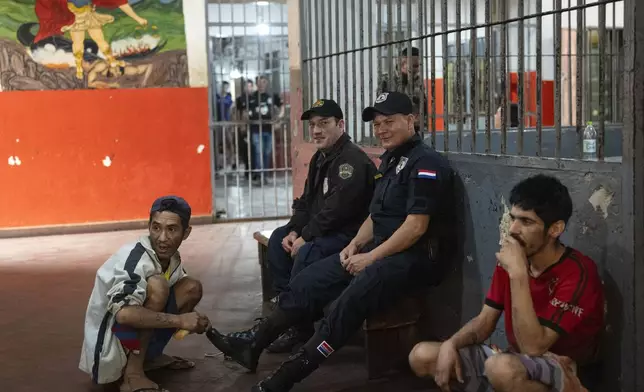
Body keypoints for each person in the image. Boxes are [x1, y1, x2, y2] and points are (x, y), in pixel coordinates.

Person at [206, 91, 454, 392]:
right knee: (309, 279)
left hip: (411, 259)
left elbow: (415, 227)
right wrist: (355, 246)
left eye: (389, 121)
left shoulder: (425, 163)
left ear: (411, 120)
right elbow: (376, 216)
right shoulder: (391, 161)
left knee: (346, 303)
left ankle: (287, 376)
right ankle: (255, 342)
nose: (382, 130)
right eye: (377, 125)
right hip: (380, 250)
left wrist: (370, 257)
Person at [408, 174, 605, 392]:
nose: (513, 229)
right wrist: (451, 344)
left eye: (527, 222)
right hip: (517, 360)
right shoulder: (514, 258)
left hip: (566, 369)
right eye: (513, 218)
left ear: (555, 229)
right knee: (422, 356)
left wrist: (518, 273)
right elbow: (485, 321)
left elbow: (534, 346)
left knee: (501, 369)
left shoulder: (578, 272)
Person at [264, 98, 377, 354]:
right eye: (313, 125)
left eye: (323, 123)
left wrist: (305, 236)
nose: (316, 130)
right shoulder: (320, 158)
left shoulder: (351, 162)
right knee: (277, 239)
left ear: (341, 125)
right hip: (325, 230)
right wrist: (294, 230)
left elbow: (336, 212)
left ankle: (297, 323)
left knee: (306, 252)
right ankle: (289, 311)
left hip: (349, 237)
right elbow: (306, 202)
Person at [79, 196, 210, 392]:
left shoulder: (170, 258)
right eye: (156, 228)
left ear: (186, 232)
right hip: (109, 347)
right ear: (149, 227)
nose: (162, 238)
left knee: (191, 288)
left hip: (129, 336)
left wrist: (194, 321)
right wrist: (181, 321)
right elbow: (124, 314)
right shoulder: (137, 257)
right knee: (158, 286)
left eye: (172, 229)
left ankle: (149, 357)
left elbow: (178, 303)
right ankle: (132, 374)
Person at [235, 75, 285, 184]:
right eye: (259, 82)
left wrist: (279, 119)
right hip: (256, 129)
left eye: (263, 82)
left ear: (266, 83)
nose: (261, 84)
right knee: (258, 152)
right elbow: (243, 112)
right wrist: (243, 125)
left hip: (268, 129)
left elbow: (282, 106)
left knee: (267, 152)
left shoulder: (271, 96)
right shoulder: (252, 97)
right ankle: (260, 175)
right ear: (256, 84)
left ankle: (265, 174)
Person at [377, 47, 427, 133]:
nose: (418, 69)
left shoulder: (418, 81)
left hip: (413, 129)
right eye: (415, 66)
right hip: (392, 129)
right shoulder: (386, 80)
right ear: (402, 63)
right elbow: (381, 108)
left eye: (419, 65)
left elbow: (423, 106)